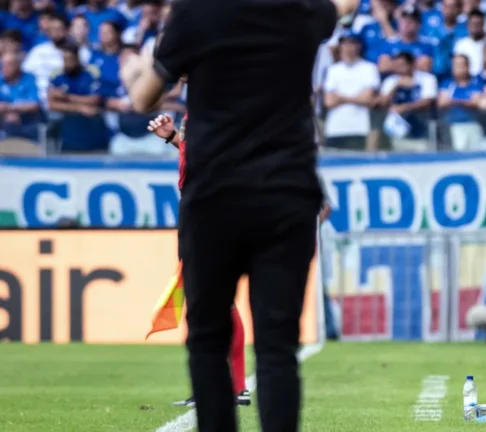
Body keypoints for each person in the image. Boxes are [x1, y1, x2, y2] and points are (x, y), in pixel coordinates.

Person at [118, 0, 359, 430]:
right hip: (287, 196)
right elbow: (346, 5)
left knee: (207, 344)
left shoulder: (195, 13)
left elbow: (141, 97)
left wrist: (134, 61)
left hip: (214, 197)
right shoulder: (300, 10)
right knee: (277, 350)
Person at [147, 111, 250, 408]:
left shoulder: (224, 103)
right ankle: (223, 386)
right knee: (204, 300)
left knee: (212, 300)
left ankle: (235, 387)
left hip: (211, 208)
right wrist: (173, 139)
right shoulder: (202, 104)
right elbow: (197, 153)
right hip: (197, 206)